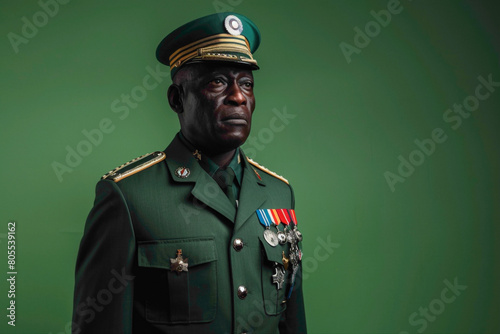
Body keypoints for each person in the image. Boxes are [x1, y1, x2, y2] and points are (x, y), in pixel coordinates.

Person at [72, 12, 306, 334]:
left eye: (246, 83)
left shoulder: (278, 193)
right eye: (218, 81)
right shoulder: (128, 197)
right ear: (177, 99)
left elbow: (291, 322)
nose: (238, 96)